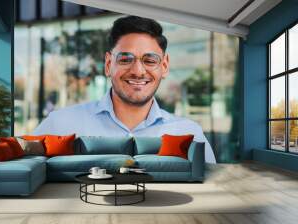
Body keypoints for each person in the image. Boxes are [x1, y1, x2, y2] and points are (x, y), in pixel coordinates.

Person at [33, 16, 216, 163]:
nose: (137, 71)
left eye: (150, 60)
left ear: (165, 65)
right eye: (125, 59)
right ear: (108, 64)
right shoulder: (59, 125)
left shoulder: (189, 134)